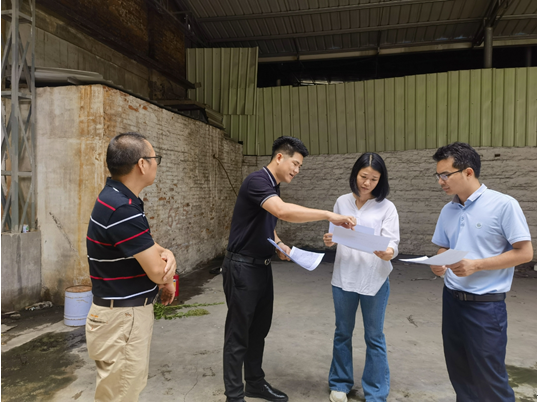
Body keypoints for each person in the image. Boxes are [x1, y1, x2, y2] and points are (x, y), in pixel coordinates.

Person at [222, 136, 358, 402]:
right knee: (239, 333)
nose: (297, 170)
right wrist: (329, 215)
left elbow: (264, 221)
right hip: (242, 267)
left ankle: (254, 383)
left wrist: (280, 244)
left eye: (300, 167)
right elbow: (282, 212)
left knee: (258, 330)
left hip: (261, 266)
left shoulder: (272, 186)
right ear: (279, 157)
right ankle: (234, 395)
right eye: (295, 164)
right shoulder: (257, 181)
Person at [429, 142, 533, 402]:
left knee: (490, 380)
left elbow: (525, 253)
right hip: (452, 300)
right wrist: (438, 262)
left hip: (485, 307)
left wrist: (476, 265)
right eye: (438, 175)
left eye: (445, 175)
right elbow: (444, 247)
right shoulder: (448, 209)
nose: (440, 181)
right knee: (459, 374)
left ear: (468, 172)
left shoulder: (503, 205)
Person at [85, 132, 177, 402]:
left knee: (120, 390)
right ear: (142, 164)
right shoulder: (122, 209)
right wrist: (168, 270)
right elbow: (157, 271)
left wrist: (166, 253)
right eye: (155, 158)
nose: (157, 163)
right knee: (122, 394)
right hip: (123, 320)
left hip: (119, 316)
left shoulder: (115, 197)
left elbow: (144, 244)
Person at [323, 153, 400, 403]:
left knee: (374, 336)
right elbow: (336, 234)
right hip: (344, 277)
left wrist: (388, 252)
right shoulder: (342, 202)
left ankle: (376, 391)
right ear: (355, 174)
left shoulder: (386, 207)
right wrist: (330, 240)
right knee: (342, 332)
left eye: (374, 179)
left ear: (381, 180)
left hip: (374, 278)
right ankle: (339, 383)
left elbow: (392, 243)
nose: (367, 183)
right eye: (363, 176)